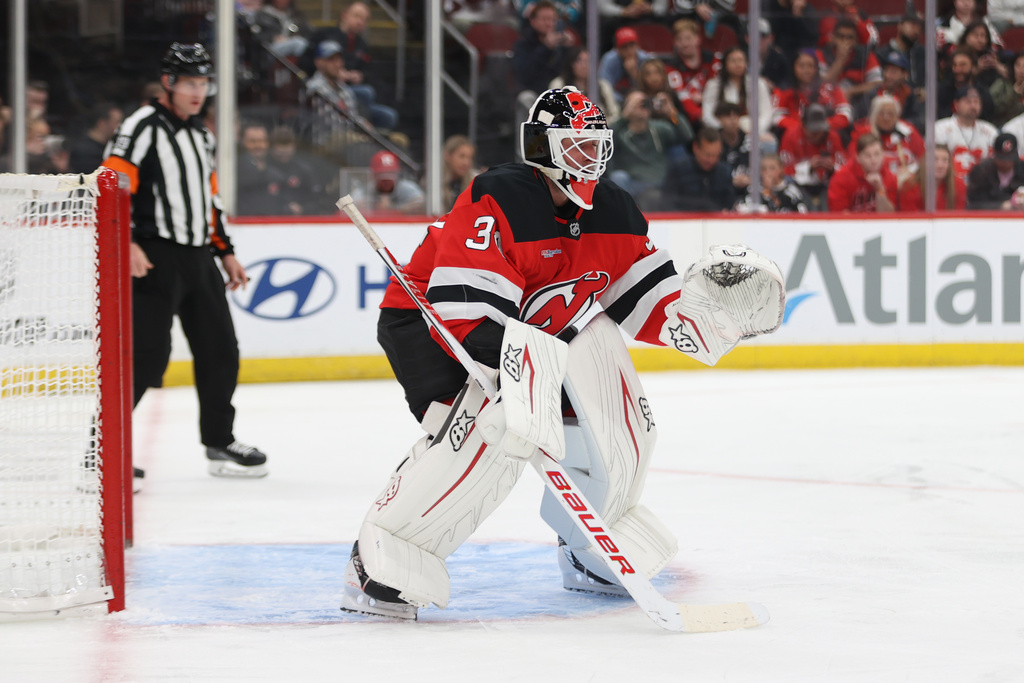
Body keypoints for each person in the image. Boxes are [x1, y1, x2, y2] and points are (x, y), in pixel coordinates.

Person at [339, 85, 784, 620]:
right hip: (432, 324)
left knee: (614, 411)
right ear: (542, 149)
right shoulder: (498, 197)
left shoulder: (614, 211)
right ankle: (387, 552)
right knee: (493, 431)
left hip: (540, 337)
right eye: (576, 146)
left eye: (597, 144)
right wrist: (518, 389)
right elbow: (465, 312)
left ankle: (590, 547)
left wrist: (709, 319)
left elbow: (644, 301)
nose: (591, 158)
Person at [101, 42, 269, 479]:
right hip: (153, 258)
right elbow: (112, 187)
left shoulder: (202, 136)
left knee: (220, 351)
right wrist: (128, 243)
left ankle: (219, 440)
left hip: (199, 259)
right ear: (168, 83)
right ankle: (102, 450)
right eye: (190, 82)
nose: (198, 92)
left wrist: (225, 251)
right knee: (147, 356)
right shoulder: (140, 126)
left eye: (204, 82)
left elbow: (209, 201)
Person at [306, 1, 399, 132]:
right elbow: (306, 62)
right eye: (357, 16)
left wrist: (360, 76)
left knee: (388, 116)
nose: (360, 22)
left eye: (364, 19)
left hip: (350, 95)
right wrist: (336, 74)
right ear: (344, 15)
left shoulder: (363, 45)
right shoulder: (325, 36)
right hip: (332, 90)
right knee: (366, 93)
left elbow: (371, 73)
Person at [609, 89, 693, 209]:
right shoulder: (620, 131)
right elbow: (605, 142)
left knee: (653, 196)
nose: (642, 107)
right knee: (618, 177)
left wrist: (672, 113)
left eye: (645, 103)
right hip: (630, 183)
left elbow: (687, 136)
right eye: (636, 104)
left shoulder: (659, 128)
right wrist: (625, 116)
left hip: (656, 183)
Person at [700, 46, 775, 143]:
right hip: (722, 133)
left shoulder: (758, 84)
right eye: (733, 61)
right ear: (725, 64)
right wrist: (722, 128)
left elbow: (766, 113)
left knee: (770, 142)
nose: (737, 64)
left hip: (752, 130)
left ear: (746, 63)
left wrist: (755, 130)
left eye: (740, 60)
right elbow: (707, 115)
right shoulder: (714, 85)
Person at [772, 50, 853, 137]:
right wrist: (802, 128)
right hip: (795, 136)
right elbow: (777, 117)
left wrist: (824, 125)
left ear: (816, 68)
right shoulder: (783, 90)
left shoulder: (831, 88)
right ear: (793, 67)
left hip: (827, 134)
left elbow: (845, 113)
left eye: (810, 66)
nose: (806, 70)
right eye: (801, 66)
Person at [778, 103, 845, 209]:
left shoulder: (832, 137)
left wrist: (833, 168)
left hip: (826, 186)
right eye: (813, 131)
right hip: (800, 186)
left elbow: (844, 170)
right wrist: (808, 167)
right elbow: (785, 171)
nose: (818, 134)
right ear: (803, 126)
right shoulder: (791, 136)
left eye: (820, 130)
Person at [816, 18, 881, 120]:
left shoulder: (866, 55)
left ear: (855, 41)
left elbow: (877, 82)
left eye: (849, 37)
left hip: (858, 100)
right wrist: (841, 59)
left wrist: (852, 91)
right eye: (841, 36)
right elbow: (824, 81)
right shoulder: (822, 54)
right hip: (830, 100)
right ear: (832, 37)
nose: (845, 41)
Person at [847, 95, 924, 182]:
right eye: (881, 113)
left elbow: (923, 157)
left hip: (907, 180)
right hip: (873, 179)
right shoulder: (863, 133)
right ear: (874, 115)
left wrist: (910, 171)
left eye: (890, 114)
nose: (886, 118)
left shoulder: (908, 131)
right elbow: (853, 160)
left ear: (897, 116)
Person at [661, 126, 737, 211]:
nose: (711, 160)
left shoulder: (724, 172)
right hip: (684, 221)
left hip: (716, 221)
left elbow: (729, 204)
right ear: (696, 148)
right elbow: (667, 203)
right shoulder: (678, 169)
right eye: (707, 155)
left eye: (716, 156)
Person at [934, 85, 1000, 182]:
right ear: (956, 105)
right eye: (968, 102)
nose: (973, 106)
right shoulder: (940, 128)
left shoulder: (990, 131)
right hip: (950, 184)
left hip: (981, 185)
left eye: (976, 102)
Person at [665, 18, 722, 128]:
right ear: (674, 42)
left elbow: (718, 89)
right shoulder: (671, 67)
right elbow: (681, 95)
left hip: (714, 113)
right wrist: (701, 116)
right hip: (688, 120)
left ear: (698, 39)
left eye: (688, 38)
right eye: (679, 39)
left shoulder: (712, 60)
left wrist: (705, 99)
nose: (684, 43)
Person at [827, 132, 898, 213]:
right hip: (852, 224)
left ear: (883, 154)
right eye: (867, 156)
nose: (873, 160)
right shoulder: (841, 178)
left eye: (877, 154)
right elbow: (839, 215)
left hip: (877, 224)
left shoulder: (889, 177)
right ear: (858, 157)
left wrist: (879, 189)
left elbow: (888, 216)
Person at [552, 45, 621, 123]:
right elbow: (553, 114)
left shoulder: (603, 85)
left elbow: (614, 114)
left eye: (588, 61)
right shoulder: (559, 85)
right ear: (571, 64)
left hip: (599, 131)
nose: (584, 66)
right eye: (579, 61)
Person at [236, 121, 289, 216]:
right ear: (242, 142)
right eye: (252, 141)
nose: (259, 146)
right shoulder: (235, 172)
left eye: (262, 141)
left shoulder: (277, 171)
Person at [353, 149, 426, 214]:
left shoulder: (406, 187)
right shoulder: (365, 190)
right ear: (373, 175)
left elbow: (422, 204)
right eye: (381, 174)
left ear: (398, 174)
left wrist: (392, 208)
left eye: (391, 173)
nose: (387, 179)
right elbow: (349, 207)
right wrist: (362, 208)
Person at [898, 144, 967, 211]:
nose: (940, 165)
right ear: (925, 162)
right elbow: (910, 219)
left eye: (945, 160)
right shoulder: (909, 186)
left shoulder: (958, 186)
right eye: (935, 160)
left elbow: (958, 218)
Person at [597, 27, 653, 106]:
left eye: (632, 46)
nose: (629, 51)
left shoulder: (645, 59)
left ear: (637, 45)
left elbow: (651, 88)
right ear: (617, 49)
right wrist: (624, 100)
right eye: (625, 47)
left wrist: (634, 74)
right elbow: (604, 87)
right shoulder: (609, 60)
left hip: (642, 101)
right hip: (616, 102)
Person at [967, 132, 1024, 208]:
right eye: (1003, 159)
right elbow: (973, 204)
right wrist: (1000, 206)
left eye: (1010, 159)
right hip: (987, 218)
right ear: (995, 155)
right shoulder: (980, 172)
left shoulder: (1022, 169)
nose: (1006, 163)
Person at [739, 152, 810, 213]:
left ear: (781, 169)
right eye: (763, 169)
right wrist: (766, 191)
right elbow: (743, 208)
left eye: (772, 168)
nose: (767, 172)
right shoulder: (754, 189)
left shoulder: (791, 192)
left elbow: (802, 213)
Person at [68, 103, 123, 174]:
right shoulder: (84, 151)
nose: (120, 127)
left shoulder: (111, 146)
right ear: (102, 123)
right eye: (116, 122)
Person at [441, 134, 480, 213]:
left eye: (470, 158)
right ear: (447, 156)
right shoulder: (433, 182)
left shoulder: (476, 182)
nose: (466, 163)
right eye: (462, 156)